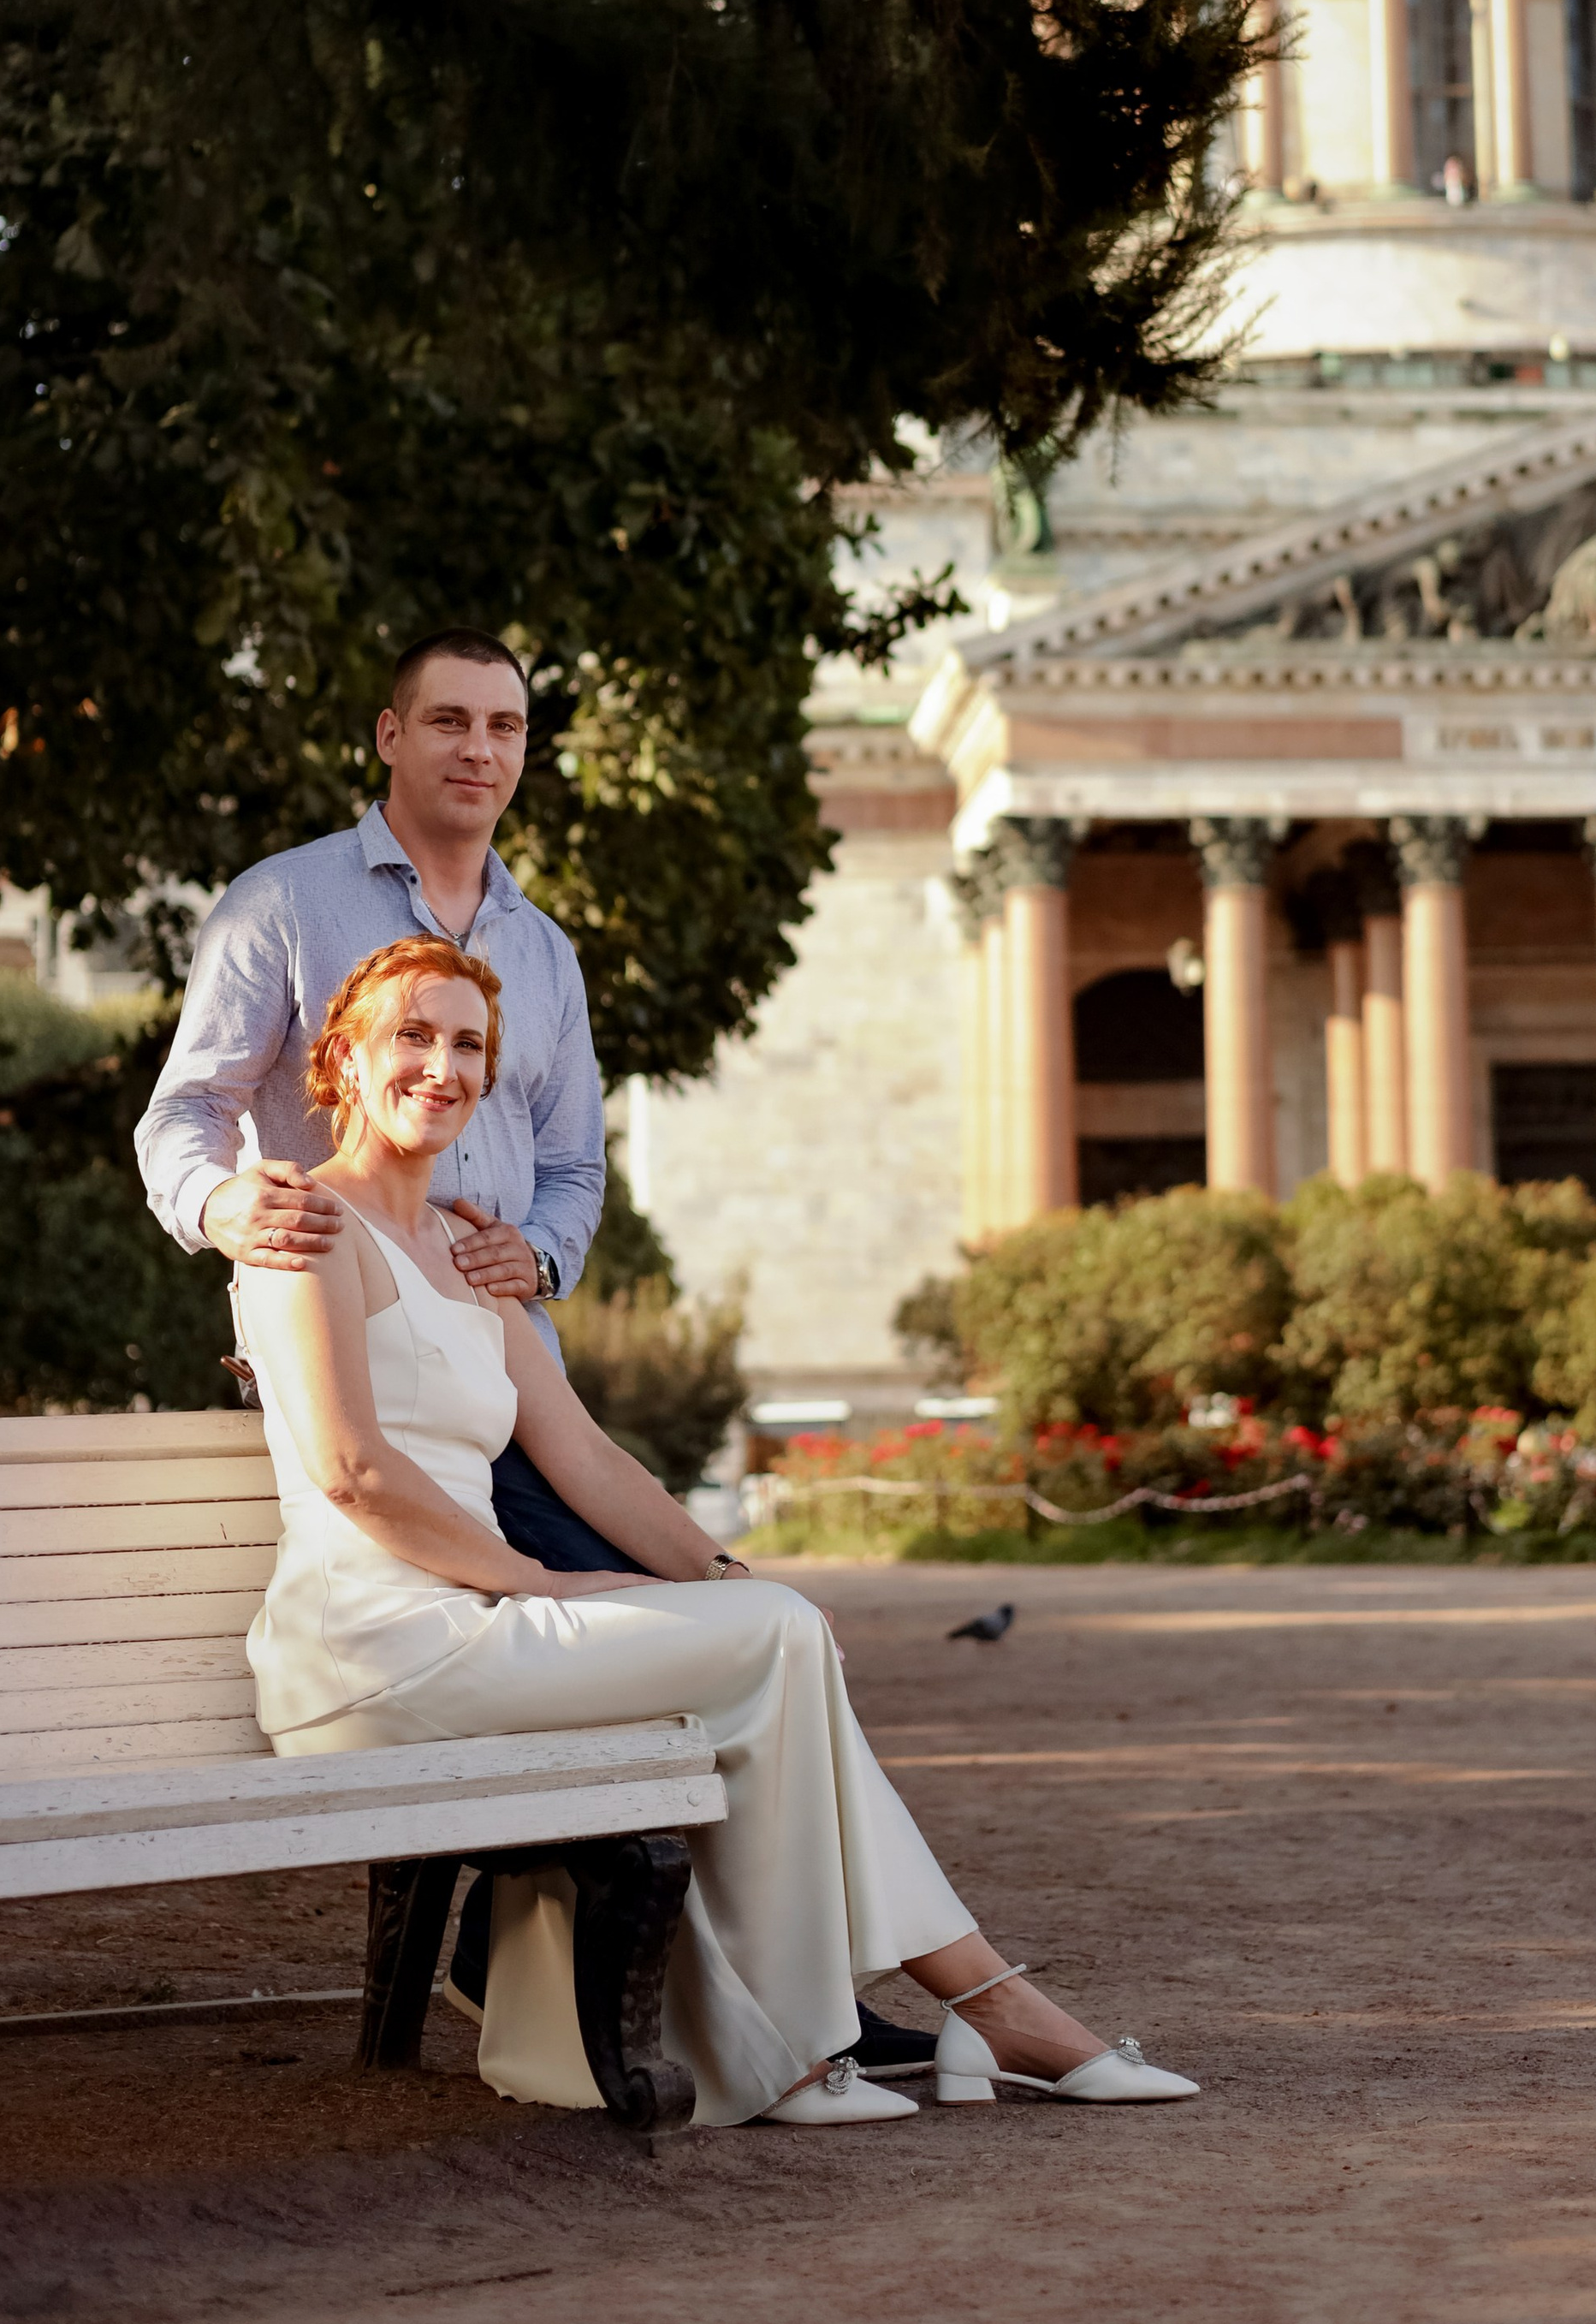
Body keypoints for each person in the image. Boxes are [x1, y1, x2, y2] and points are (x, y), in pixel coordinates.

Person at [231, 930, 1198, 2125]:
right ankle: (965, 2017)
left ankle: (844, 2041)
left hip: (472, 1631)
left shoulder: (468, 1248)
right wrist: (542, 1582)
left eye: (468, 1045)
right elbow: (353, 1472)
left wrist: (725, 1572)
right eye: (412, 1036)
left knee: (778, 1633)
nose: (443, 1066)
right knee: (775, 1644)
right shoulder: (303, 1228)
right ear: (342, 1059)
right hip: (373, 1651)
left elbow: (586, 1458)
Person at [136, 626, 932, 2071]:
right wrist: (224, 1206)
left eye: (503, 726)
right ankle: (827, 2006)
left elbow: (572, 1170)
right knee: (677, 1640)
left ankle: (728, 1995)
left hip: (498, 1352)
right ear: (392, 737)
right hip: (357, 1347)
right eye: (448, 720)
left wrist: (537, 1257)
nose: (477, 749)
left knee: (712, 1621)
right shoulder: (283, 904)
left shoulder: (543, 950)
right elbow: (183, 1114)